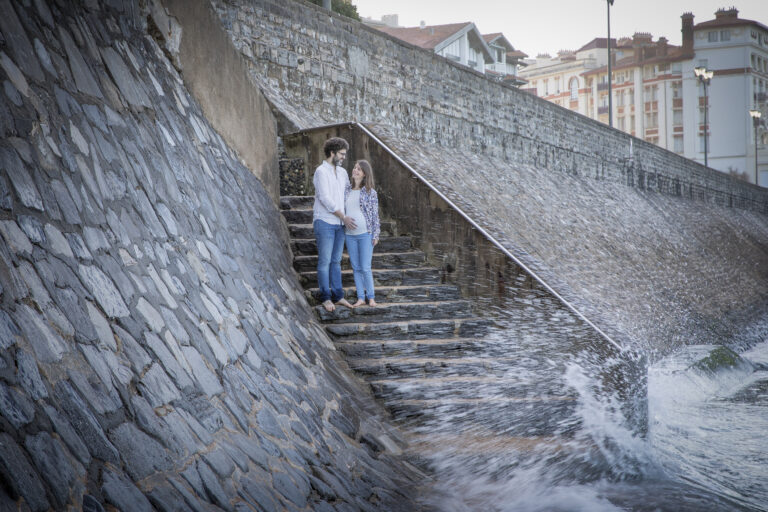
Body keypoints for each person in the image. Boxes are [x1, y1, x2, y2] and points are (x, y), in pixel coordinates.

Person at [313, 137, 356, 312]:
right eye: (341, 154)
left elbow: (347, 194)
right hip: (325, 221)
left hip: (340, 224)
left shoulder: (343, 172)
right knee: (324, 261)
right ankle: (325, 297)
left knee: (336, 261)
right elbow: (325, 198)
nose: (344, 157)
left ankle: (338, 296)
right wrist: (343, 216)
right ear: (332, 153)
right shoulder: (321, 171)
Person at [344, 160, 380, 307]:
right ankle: (360, 297)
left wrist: (376, 234)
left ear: (365, 173)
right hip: (349, 235)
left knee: (365, 267)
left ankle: (371, 297)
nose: (355, 170)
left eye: (359, 169)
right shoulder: (346, 190)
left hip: (366, 234)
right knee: (356, 268)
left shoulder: (370, 192)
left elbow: (375, 215)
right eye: (354, 168)